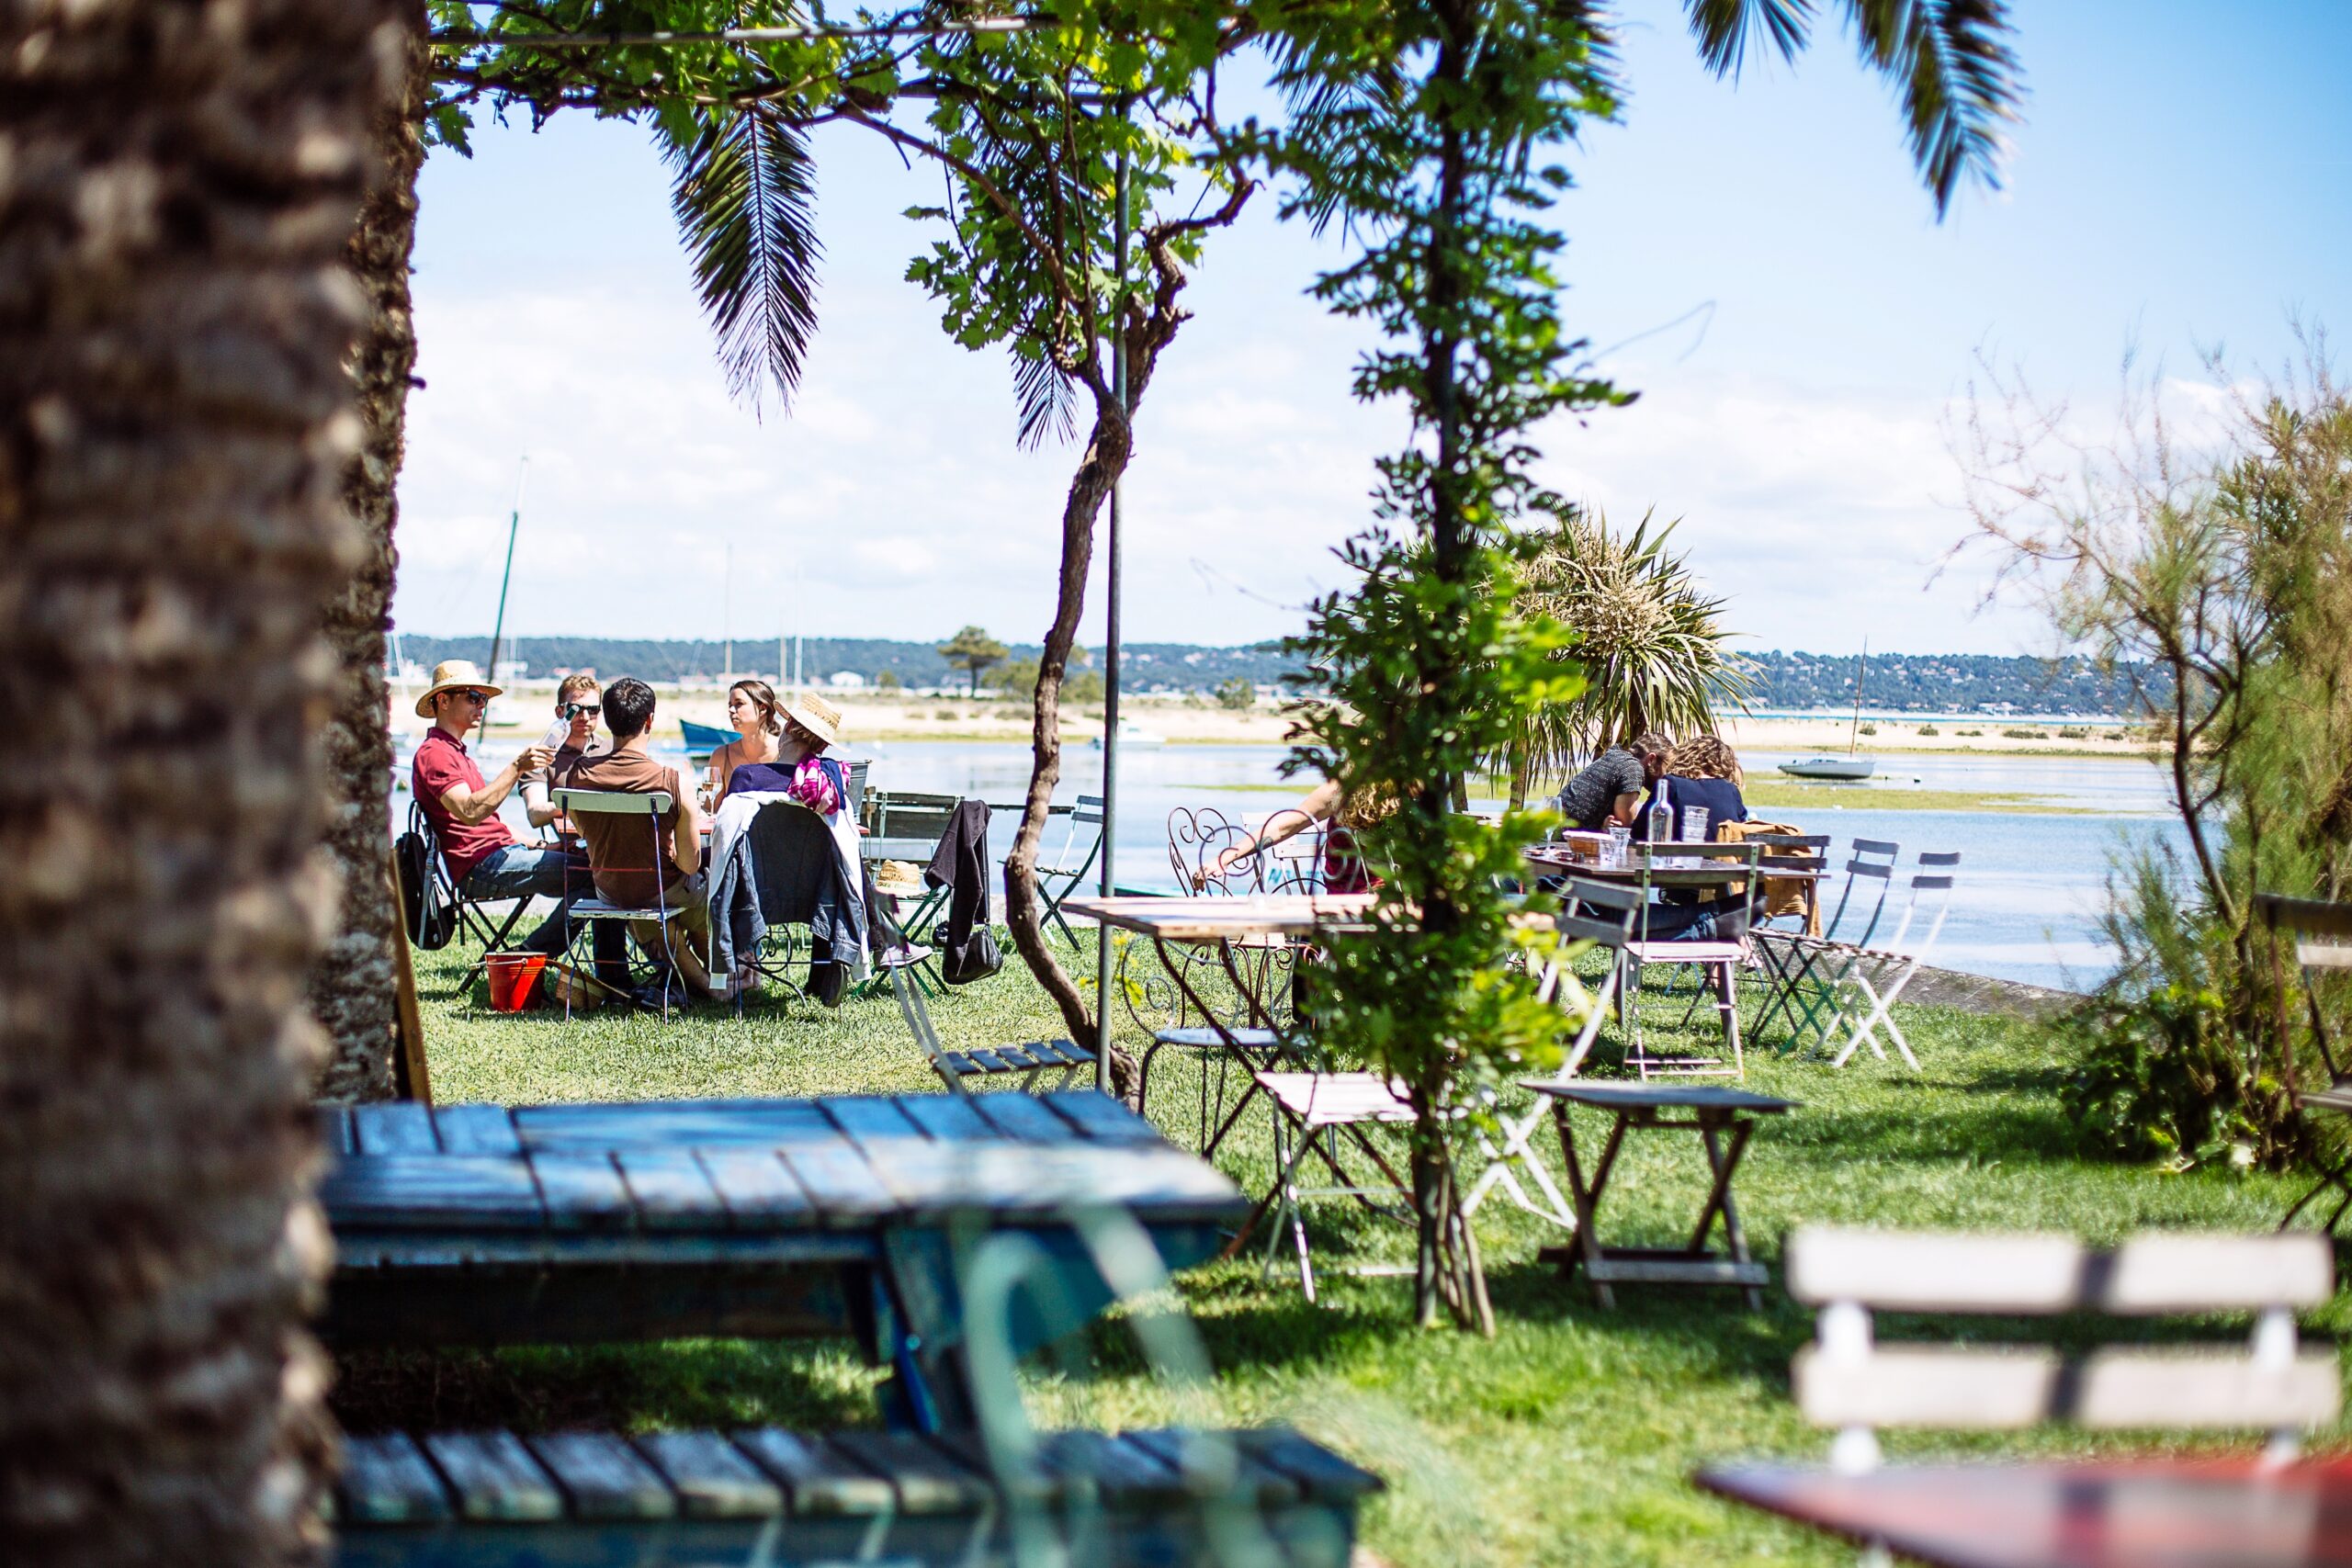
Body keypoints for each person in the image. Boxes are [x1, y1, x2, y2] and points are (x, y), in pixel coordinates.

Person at [555, 676, 722, 1002]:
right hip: (662, 890)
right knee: (703, 895)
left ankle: (708, 982)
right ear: (649, 720)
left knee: (656, 913)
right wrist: (669, 848)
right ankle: (717, 980)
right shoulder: (672, 780)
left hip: (609, 890)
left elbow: (583, 829)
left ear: (607, 718)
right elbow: (689, 864)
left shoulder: (577, 775)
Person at [408, 660, 584, 957]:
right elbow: (470, 811)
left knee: (593, 867)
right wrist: (517, 767)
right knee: (598, 874)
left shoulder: (455, 751)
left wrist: (544, 845)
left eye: (484, 699)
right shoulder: (435, 754)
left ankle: (539, 956)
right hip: (480, 868)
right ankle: (530, 957)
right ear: (443, 700)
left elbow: (493, 822)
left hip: (496, 857)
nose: (481, 706)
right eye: (473, 697)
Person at [1192, 778, 1396, 894]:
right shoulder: (1339, 790)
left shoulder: (1416, 791)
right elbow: (1282, 827)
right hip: (1353, 897)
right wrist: (1225, 858)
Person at [720, 689, 847, 817]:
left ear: (789, 727)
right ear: (822, 747)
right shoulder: (832, 782)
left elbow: (727, 828)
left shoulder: (747, 777)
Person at [524, 673, 605, 831]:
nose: (585, 717)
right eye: (576, 710)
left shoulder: (611, 750)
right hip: (566, 848)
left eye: (593, 710)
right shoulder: (539, 754)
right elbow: (535, 814)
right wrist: (586, 804)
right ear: (560, 712)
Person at [1554, 732, 1674, 831]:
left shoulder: (1615, 756)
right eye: (1666, 767)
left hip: (1554, 832)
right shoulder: (1632, 768)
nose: (1666, 775)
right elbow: (1625, 825)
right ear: (1651, 759)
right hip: (1563, 842)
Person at [707, 679, 785, 812]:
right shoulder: (721, 756)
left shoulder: (784, 751)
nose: (731, 710)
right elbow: (710, 809)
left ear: (762, 709)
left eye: (739, 704)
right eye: (730, 705)